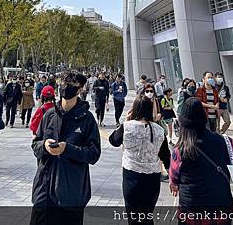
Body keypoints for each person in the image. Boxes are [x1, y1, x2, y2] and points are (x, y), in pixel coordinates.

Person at [30, 70, 101, 225]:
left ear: (80, 89)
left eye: (71, 85)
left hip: (71, 194)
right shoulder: (49, 114)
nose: (65, 87)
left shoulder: (87, 119)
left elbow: (94, 154)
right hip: (44, 191)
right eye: (63, 83)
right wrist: (44, 146)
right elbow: (35, 145)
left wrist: (67, 149)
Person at [169, 97, 233, 220]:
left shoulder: (179, 150)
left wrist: (174, 183)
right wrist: (230, 163)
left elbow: (174, 179)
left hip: (191, 210)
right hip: (221, 207)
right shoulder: (225, 141)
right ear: (204, 119)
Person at [109, 96, 171, 225]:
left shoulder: (127, 126)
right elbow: (166, 155)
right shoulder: (159, 130)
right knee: (147, 214)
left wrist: (125, 120)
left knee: (133, 215)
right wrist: (173, 177)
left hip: (131, 176)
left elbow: (113, 141)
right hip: (153, 177)